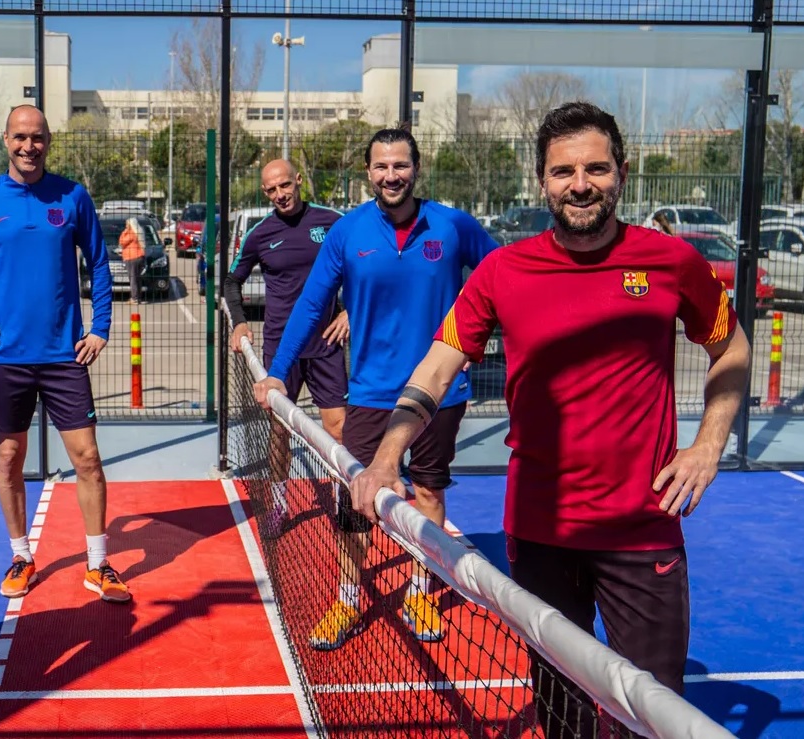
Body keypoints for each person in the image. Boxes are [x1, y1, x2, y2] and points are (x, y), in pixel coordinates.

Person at [351, 102, 751, 737]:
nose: (581, 184)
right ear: (543, 181)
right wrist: (385, 455)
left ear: (621, 172)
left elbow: (731, 347)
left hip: (641, 532)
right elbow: (434, 370)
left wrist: (707, 445)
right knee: (560, 713)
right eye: (564, 172)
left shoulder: (671, 262)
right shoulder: (501, 272)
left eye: (596, 168)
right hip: (539, 533)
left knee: (652, 717)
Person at [254, 128, 499, 651]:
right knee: (359, 502)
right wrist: (277, 370)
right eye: (382, 166)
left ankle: (420, 589)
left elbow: (503, 278)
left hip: (440, 396)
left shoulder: (454, 226)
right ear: (368, 172)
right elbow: (310, 305)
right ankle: (347, 597)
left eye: (401, 165)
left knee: (429, 494)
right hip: (369, 394)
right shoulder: (348, 233)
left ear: (417, 168)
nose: (392, 175)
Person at [0, 104, 131, 606]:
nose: (29, 146)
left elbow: (100, 263)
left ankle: (97, 564)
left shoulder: (73, 196)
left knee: (87, 458)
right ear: (5, 140)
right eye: (20, 137)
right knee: (8, 457)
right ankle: (22, 555)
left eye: (38, 137)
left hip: (66, 356)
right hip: (5, 359)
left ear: (48, 140)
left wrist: (102, 328)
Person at [226, 158, 349, 540]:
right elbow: (232, 282)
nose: (280, 194)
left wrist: (351, 313)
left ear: (298, 180)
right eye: (271, 190)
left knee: (338, 429)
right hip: (281, 350)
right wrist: (240, 320)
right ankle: (278, 503)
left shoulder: (333, 222)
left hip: (326, 345)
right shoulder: (260, 235)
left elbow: (363, 270)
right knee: (279, 432)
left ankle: (344, 500)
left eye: (285, 185)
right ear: (265, 193)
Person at [119, 217, 146, 304]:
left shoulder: (130, 233)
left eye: (127, 224)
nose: (125, 226)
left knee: (133, 278)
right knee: (137, 278)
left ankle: (134, 298)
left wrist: (125, 231)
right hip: (139, 256)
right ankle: (138, 297)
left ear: (130, 225)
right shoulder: (138, 232)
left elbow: (122, 242)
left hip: (132, 257)